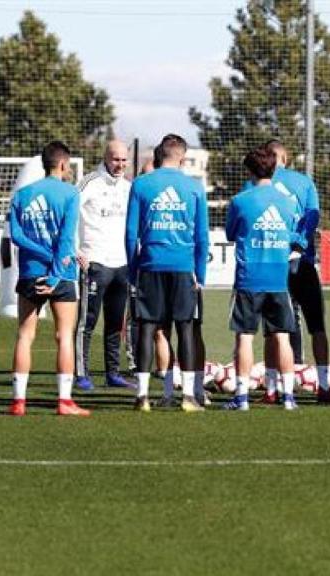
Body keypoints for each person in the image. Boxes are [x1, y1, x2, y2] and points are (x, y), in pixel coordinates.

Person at [126, 134, 209, 412]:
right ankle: (187, 397)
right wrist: (201, 274)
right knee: (185, 328)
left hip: (150, 265)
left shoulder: (140, 184)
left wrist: (133, 268)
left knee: (147, 328)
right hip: (184, 267)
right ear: (182, 158)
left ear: (160, 155)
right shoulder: (194, 187)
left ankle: (142, 397)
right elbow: (202, 237)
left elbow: (130, 234)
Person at [7, 141, 87, 417]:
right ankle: (65, 401)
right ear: (63, 164)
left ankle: (18, 401)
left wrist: (41, 254)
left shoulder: (22, 195)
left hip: (30, 273)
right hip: (61, 275)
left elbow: (16, 237)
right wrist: (54, 273)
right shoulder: (70, 193)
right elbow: (66, 241)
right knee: (64, 336)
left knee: (25, 335)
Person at [258, 140, 330, 405]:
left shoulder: (259, 183)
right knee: (317, 325)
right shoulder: (304, 182)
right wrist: (300, 240)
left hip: (272, 263)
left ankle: (272, 389)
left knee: (273, 330)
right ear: (286, 157)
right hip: (302, 262)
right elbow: (312, 217)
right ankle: (324, 387)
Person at [224, 145, 300, 411]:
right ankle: (289, 397)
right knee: (282, 337)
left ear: (249, 170)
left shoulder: (240, 201)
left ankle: (242, 398)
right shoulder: (288, 203)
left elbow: (231, 234)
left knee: (245, 338)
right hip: (278, 278)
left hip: (249, 278)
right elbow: (293, 235)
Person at [75, 140, 134, 391]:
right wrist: (77, 251)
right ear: (105, 158)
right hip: (95, 262)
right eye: (115, 159)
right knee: (86, 322)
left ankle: (113, 372)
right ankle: (81, 373)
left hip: (122, 264)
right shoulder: (89, 183)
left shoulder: (129, 187)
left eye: (123, 160)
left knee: (115, 323)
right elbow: (69, 213)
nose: (119, 165)